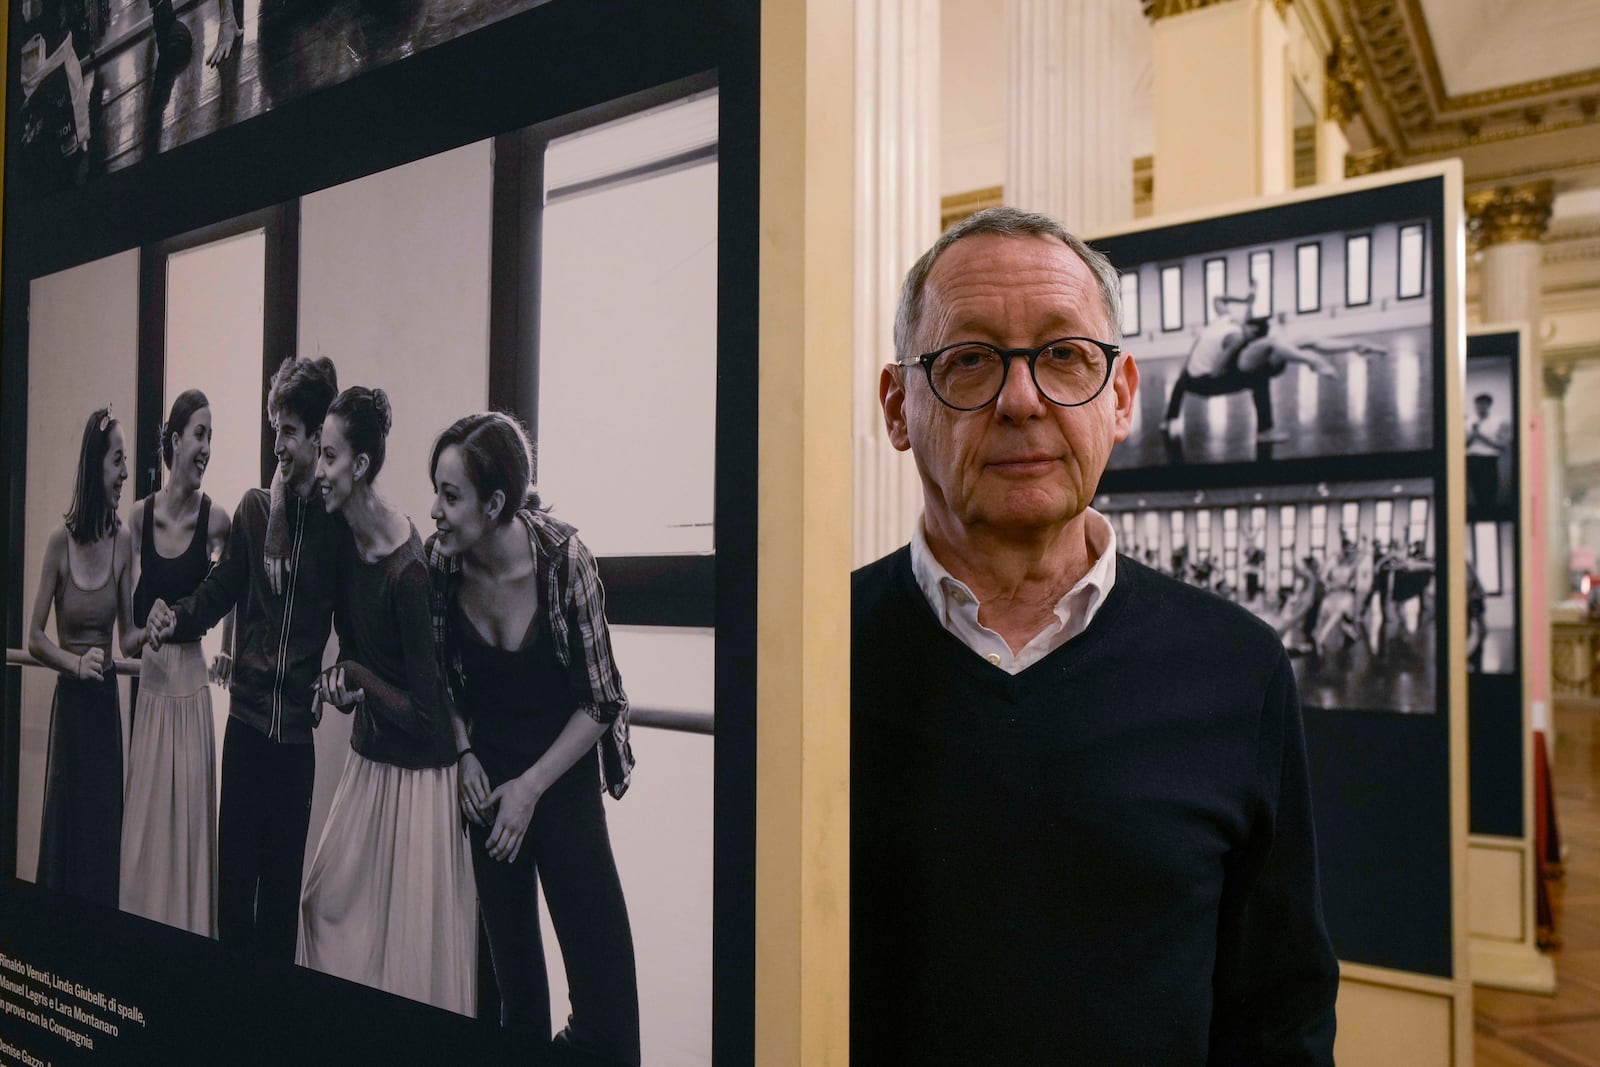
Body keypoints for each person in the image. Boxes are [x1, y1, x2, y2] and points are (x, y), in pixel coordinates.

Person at [854, 206, 1338, 1063]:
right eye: (968, 362)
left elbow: (1278, 1005)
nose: (1020, 399)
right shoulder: (819, 657)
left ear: (1120, 398)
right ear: (899, 407)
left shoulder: (1237, 668)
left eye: (1064, 356)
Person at [426, 413, 640, 1064]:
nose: (434, 510)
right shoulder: (441, 564)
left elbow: (603, 699)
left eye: (450, 495)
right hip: (489, 786)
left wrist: (531, 789)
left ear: (494, 504)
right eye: (434, 489)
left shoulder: (563, 559)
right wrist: (463, 754)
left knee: (607, 1013)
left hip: (562, 780)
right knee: (516, 1008)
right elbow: (442, 678)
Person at [145, 356, 343, 961]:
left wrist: (348, 674)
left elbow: (359, 620)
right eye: (274, 428)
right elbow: (214, 594)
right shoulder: (256, 511)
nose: (276, 444)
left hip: (296, 750)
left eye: (287, 431)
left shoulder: (337, 527)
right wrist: (172, 615)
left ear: (315, 435)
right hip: (247, 733)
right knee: (236, 897)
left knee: (280, 906)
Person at [296, 387, 475, 1016]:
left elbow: (429, 718)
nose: (319, 470)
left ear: (362, 466)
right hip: (369, 763)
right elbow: (359, 662)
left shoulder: (410, 571)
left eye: (330, 456)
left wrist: (358, 679)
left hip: (419, 783)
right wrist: (347, 691)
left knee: (407, 969)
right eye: (318, 454)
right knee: (321, 904)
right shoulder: (342, 542)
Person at [121, 390, 230, 936]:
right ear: (175, 440)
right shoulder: (137, 519)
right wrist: (149, 628)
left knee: (187, 829)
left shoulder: (218, 522)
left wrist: (226, 647)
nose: (207, 446)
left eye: (211, 436)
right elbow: (128, 634)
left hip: (191, 691)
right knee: (146, 833)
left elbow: (236, 584)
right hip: (151, 691)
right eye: (200, 434)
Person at [28, 406, 137, 907]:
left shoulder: (124, 543)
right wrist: (73, 663)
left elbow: (129, 637)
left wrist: (168, 624)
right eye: (118, 461)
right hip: (70, 708)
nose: (125, 473)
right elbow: (34, 637)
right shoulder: (58, 542)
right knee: (64, 832)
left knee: (101, 837)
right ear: (95, 466)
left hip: (103, 711)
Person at [1163, 297, 1385, 444]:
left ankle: (1355, 345)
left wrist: (1246, 299)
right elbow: (1218, 372)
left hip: (1193, 377)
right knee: (1261, 371)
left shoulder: (1226, 320)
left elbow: (1218, 300)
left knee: (1302, 340)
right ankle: (1311, 362)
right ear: (1249, 331)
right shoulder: (1236, 337)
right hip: (1208, 381)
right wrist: (1248, 367)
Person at [1466, 393, 1510, 513]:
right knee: (1476, 493)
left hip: (1489, 460)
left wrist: (1481, 436)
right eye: (1478, 404)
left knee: (1490, 492)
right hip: (1471, 459)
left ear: (1489, 405)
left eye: (1484, 404)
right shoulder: (1468, 421)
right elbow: (1462, 445)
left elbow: (1503, 446)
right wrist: (1472, 435)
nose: (1481, 407)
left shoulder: (1499, 421)